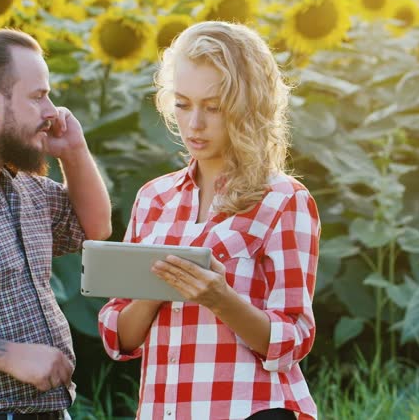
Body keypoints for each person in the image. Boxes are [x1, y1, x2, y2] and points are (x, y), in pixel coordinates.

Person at [98, 21, 320, 420]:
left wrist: (221, 300)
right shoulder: (153, 199)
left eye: (213, 107)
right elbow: (119, 338)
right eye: (182, 104)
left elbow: (294, 340)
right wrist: (157, 287)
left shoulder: (284, 199)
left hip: (252, 409)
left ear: (248, 106)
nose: (194, 124)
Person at [0, 29, 112, 419]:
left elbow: (94, 228)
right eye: (37, 96)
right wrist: (7, 356)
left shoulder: (25, 187)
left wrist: (75, 152)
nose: (53, 112)